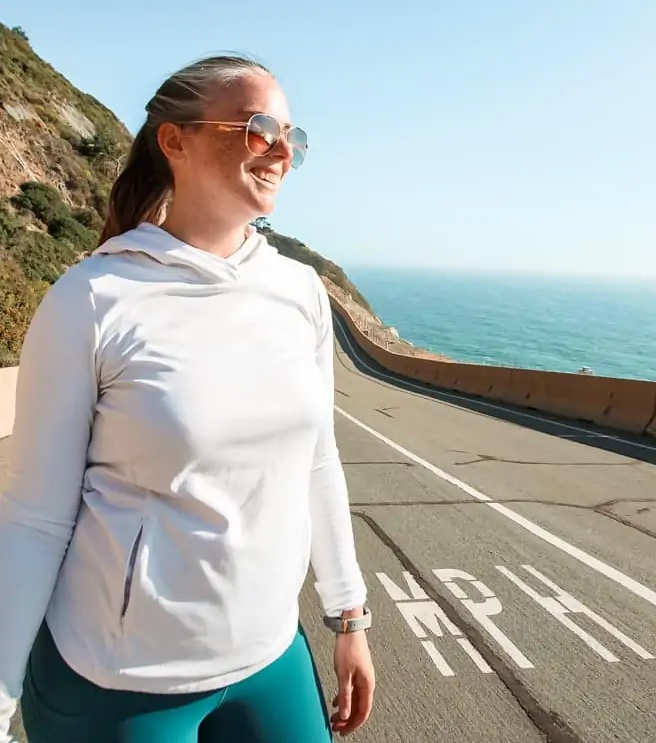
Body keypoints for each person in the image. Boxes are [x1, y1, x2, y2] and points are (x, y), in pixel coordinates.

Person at [0, 55, 375, 743]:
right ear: (175, 140)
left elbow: (316, 461)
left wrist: (347, 615)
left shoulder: (298, 292)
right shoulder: (93, 299)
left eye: (292, 134)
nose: (283, 151)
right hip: (118, 680)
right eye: (259, 128)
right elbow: (33, 519)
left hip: (269, 654)